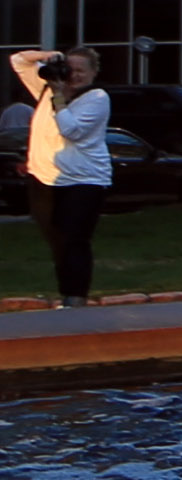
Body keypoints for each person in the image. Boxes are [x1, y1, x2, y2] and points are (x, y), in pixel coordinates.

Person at [15, 45, 109, 307]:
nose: (74, 75)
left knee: (74, 238)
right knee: (56, 240)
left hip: (84, 181)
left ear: (93, 73)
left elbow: (71, 130)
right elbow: (19, 60)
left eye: (81, 70)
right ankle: (66, 295)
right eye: (70, 69)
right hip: (45, 178)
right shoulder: (46, 89)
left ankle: (76, 297)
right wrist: (46, 56)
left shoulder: (97, 98)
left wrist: (59, 96)